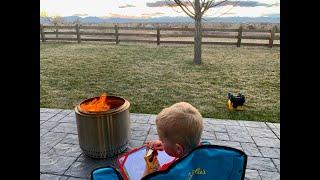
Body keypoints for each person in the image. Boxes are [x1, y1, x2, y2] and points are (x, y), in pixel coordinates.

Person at [143, 102, 204, 177]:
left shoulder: (167, 172)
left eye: (162, 140)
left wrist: (149, 163)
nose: (160, 141)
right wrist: (167, 145)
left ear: (178, 149)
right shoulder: (208, 149)